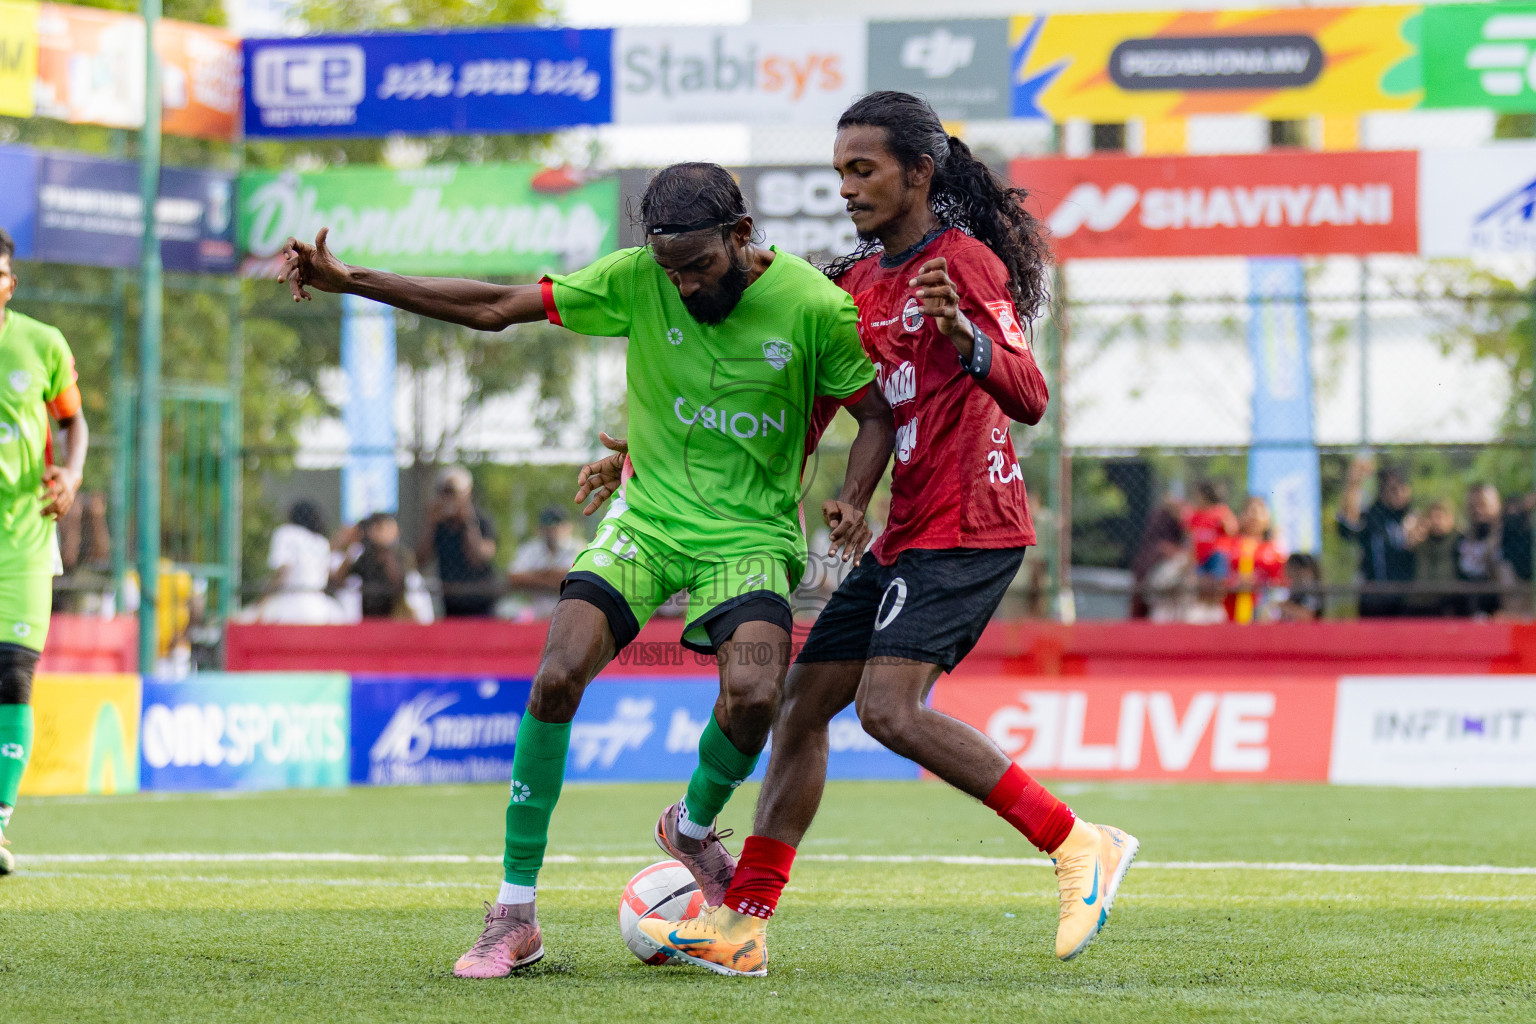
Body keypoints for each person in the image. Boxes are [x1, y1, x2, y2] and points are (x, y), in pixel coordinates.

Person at [276, 161, 893, 978]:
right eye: (668, 269)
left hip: (748, 537)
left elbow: (875, 413)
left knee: (753, 696)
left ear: (741, 235)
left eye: (698, 266)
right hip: (647, 523)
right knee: (556, 675)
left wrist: (854, 496)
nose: (681, 285)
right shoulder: (637, 278)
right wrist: (354, 280)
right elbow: (495, 307)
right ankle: (514, 914)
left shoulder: (814, 306)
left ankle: (692, 828)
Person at [615, 92, 1136, 974]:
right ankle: (743, 923)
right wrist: (651, 459)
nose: (848, 188)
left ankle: (1076, 841)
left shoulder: (963, 263)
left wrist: (963, 334)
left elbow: (1031, 397)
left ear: (919, 173)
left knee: (888, 710)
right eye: (841, 172)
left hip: (972, 524)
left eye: (865, 170)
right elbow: (812, 407)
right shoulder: (855, 285)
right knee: (798, 705)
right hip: (905, 534)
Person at [0, 227, 90, 876]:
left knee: (12, 677)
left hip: (25, 536)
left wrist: (74, 475)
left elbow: (72, 421)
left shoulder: (41, 342)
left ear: (10, 282)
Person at [1338, 457, 1415, 617]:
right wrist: (1354, 482)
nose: (1398, 493)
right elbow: (1349, 525)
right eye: (1392, 489)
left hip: (1408, 601)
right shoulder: (1373, 517)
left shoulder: (1414, 518)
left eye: (1402, 487)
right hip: (1375, 599)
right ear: (1382, 491)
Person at [417, 466, 499, 618]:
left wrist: (468, 521)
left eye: (453, 492)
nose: (449, 498)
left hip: (480, 600)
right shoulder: (438, 524)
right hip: (450, 601)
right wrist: (430, 523)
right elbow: (420, 560)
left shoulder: (482, 521)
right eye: (444, 492)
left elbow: (480, 557)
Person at [256, 500, 346, 625]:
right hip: (318, 610)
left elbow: (282, 572)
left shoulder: (287, 533)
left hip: (290, 607)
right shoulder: (321, 542)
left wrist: (263, 601)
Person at [1216, 495, 1286, 624]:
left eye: (1260, 512)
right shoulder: (1225, 546)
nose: (1254, 516)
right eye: (1250, 511)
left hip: (1263, 618)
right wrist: (1233, 582)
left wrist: (1258, 583)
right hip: (1227, 616)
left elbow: (1280, 584)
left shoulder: (1274, 551)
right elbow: (1215, 576)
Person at [505, 506, 583, 619]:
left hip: (570, 614)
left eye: (556, 526)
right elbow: (513, 578)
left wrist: (537, 577)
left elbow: (578, 580)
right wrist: (552, 578)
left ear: (568, 527)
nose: (552, 531)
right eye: (548, 527)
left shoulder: (578, 547)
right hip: (536, 613)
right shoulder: (531, 548)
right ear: (540, 528)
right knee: (507, 609)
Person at [333, 512, 408, 619]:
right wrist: (353, 545)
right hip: (369, 617)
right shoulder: (365, 557)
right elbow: (338, 580)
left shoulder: (400, 555)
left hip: (393, 617)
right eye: (378, 528)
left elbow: (398, 584)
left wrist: (386, 547)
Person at [1456, 483, 1504, 617]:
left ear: (1497, 505)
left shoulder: (1508, 538)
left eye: (1483, 504)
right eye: (1472, 506)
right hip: (1466, 610)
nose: (1478, 510)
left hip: (1500, 610)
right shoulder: (1460, 540)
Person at [1276, 552, 1322, 621]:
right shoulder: (1294, 588)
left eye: (1290, 567)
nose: (1287, 572)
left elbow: (1308, 615)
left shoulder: (1310, 588)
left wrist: (1285, 607)